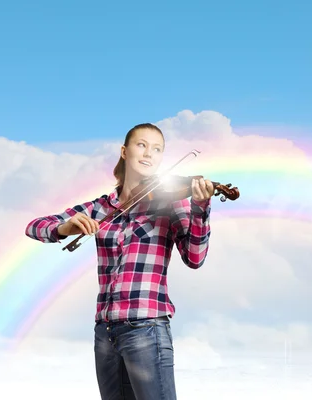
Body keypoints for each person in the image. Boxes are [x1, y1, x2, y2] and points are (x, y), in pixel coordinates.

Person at [25, 122, 215, 400]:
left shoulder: (172, 203)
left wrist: (200, 208)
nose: (149, 153)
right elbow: (34, 226)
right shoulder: (101, 207)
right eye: (142, 145)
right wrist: (64, 228)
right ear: (124, 152)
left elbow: (195, 258)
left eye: (157, 149)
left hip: (147, 328)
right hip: (105, 332)